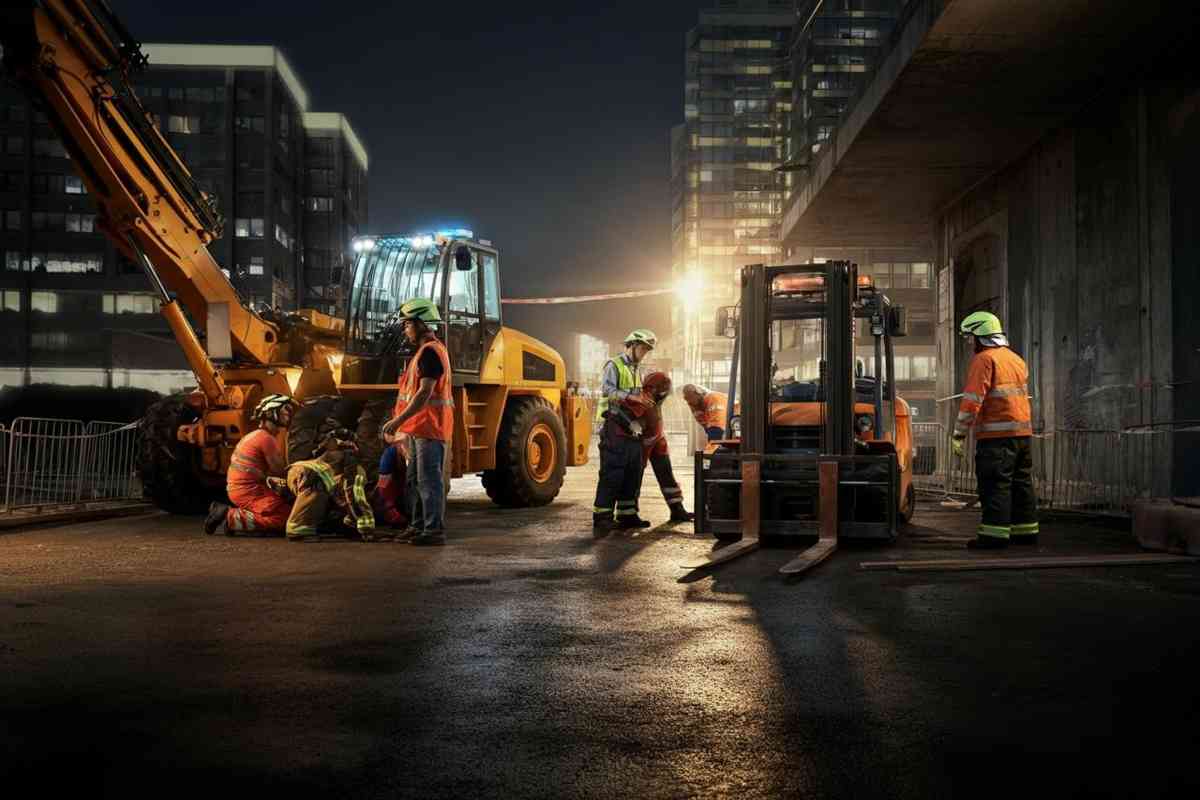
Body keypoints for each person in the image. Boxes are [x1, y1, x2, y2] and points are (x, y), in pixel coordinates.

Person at [952, 311, 1038, 549]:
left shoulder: (984, 360)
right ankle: (1026, 531)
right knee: (1021, 483)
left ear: (981, 335)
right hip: (1022, 436)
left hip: (996, 438)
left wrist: (959, 433)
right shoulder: (1015, 359)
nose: (970, 343)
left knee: (995, 485)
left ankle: (993, 536)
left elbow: (972, 401)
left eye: (971, 337)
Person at [381, 298, 453, 546]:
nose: (405, 329)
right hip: (417, 428)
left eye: (408, 324)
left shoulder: (431, 353)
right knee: (414, 481)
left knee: (429, 481)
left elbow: (424, 394)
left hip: (429, 428)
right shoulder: (423, 353)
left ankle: (433, 531)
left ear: (422, 324)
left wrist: (396, 421)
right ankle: (418, 526)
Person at [592, 328, 657, 535]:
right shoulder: (614, 365)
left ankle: (627, 515)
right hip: (613, 426)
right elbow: (608, 391)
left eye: (647, 350)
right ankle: (602, 517)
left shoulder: (636, 369)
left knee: (632, 471)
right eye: (643, 349)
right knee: (613, 473)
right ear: (632, 346)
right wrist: (632, 398)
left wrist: (645, 401)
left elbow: (637, 394)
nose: (645, 353)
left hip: (631, 428)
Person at [204, 394, 297, 536]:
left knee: (285, 509)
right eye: (285, 410)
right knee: (285, 519)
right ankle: (229, 517)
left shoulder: (254, 435)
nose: (288, 415)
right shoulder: (266, 439)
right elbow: (280, 471)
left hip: (243, 488)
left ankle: (240, 517)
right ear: (272, 413)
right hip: (249, 490)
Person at [284, 421, 377, 542]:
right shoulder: (347, 463)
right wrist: (365, 527)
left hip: (300, 475)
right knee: (320, 480)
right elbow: (353, 492)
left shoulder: (341, 462)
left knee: (326, 484)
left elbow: (350, 493)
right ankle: (299, 528)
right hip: (308, 475)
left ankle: (341, 524)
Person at [634, 372, 694, 524]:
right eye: (665, 390)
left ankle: (677, 508)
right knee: (634, 479)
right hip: (644, 445)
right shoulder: (644, 401)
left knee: (667, 477)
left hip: (657, 443)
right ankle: (628, 513)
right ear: (658, 389)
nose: (666, 394)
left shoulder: (652, 399)